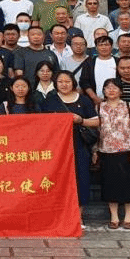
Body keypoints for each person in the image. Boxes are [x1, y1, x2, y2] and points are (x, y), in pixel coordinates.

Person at [46, 70, 98, 216]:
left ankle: (78, 216)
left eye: (67, 81)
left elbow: (97, 121)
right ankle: (62, 215)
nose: (64, 84)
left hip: (80, 145)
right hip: (58, 147)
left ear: (73, 83)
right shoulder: (50, 101)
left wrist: (81, 120)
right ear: (55, 84)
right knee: (59, 179)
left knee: (81, 179)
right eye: (60, 82)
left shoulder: (83, 100)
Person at [96, 78, 130, 230]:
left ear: (121, 91)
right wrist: (94, 150)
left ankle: (129, 217)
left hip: (127, 151)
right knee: (110, 185)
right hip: (106, 151)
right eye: (108, 87)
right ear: (104, 91)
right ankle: (114, 217)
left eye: (114, 87)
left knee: (129, 184)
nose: (111, 90)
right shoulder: (99, 107)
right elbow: (95, 131)